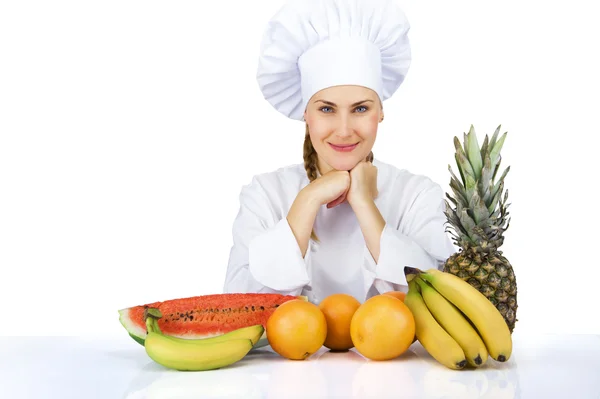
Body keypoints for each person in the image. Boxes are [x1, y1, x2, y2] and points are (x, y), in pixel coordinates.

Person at [223, 0, 455, 304]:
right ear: (306, 114)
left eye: (360, 108)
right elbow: (239, 304)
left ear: (380, 112)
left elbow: (438, 298)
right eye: (326, 109)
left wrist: (362, 202)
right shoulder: (264, 195)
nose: (344, 130)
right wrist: (308, 199)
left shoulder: (417, 195)